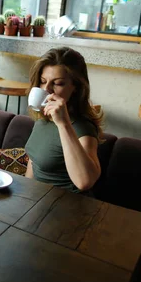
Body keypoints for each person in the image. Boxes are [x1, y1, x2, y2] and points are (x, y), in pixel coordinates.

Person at [24, 47, 103, 193]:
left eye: (58, 83)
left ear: (76, 88)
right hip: (37, 201)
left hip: (67, 206)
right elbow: (33, 163)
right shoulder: (43, 119)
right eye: (42, 81)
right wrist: (24, 195)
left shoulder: (83, 128)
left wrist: (63, 123)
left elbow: (85, 182)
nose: (46, 89)